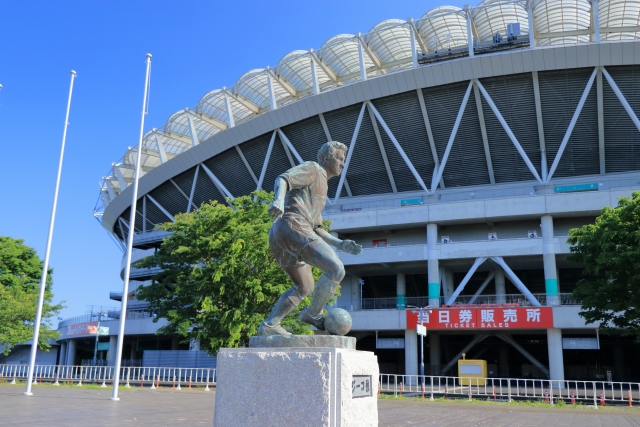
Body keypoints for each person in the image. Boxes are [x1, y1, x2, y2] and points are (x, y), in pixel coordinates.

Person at [258, 141, 362, 336]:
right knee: (336, 269)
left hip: (283, 234)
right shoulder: (314, 169)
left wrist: (340, 243)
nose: (343, 163)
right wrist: (278, 200)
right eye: (339, 158)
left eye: (344, 160)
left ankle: (270, 325)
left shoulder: (323, 186)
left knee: (304, 287)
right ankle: (312, 314)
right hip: (293, 225)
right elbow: (283, 179)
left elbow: (317, 229)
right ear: (326, 158)